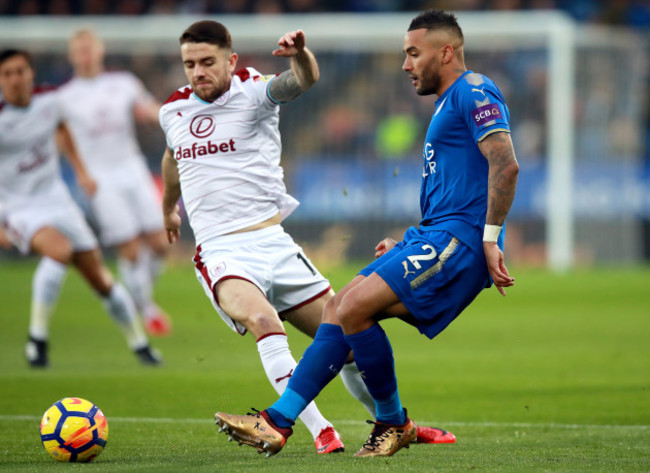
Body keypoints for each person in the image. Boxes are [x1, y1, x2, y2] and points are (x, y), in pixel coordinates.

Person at [215, 9, 520, 458]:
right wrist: (410, 242)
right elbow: (459, 184)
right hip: (435, 235)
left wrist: (490, 238)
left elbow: (506, 163)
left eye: (414, 53)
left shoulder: (473, 91)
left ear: (447, 51)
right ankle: (289, 422)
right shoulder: (447, 101)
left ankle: (366, 423)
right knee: (339, 306)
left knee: (354, 307)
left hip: (460, 240)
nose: (406, 64)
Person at [159, 20, 453, 455]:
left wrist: (299, 54)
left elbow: (303, 80)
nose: (198, 72)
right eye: (190, 64)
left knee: (350, 333)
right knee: (264, 322)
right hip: (222, 250)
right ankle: (317, 429)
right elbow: (171, 156)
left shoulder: (254, 91)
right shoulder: (173, 110)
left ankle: (398, 424)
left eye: (207, 62)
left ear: (231, 60)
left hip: (274, 243)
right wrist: (168, 206)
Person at [0, 48, 162, 367]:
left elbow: (62, 128)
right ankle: (37, 340)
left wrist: (81, 170)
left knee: (100, 278)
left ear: (32, 74)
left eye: (21, 71)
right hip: (17, 207)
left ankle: (140, 345)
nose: (15, 79)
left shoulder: (50, 101)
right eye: (7, 74)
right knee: (58, 250)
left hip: (57, 200)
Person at [55, 29, 171, 336]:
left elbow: (148, 107)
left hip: (132, 168)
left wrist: (170, 116)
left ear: (100, 50)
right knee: (130, 249)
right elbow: (61, 138)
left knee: (161, 241)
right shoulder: (64, 97)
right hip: (99, 178)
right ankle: (145, 308)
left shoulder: (123, 83)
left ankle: (136, 297)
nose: (86, 53)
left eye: (89, 47)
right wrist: (80, 172)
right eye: (79, 49)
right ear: (71, 56)